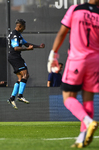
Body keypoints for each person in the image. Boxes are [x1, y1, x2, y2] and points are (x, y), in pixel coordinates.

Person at [47, 1, 99, 148]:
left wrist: (53, 55)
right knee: (88, 99)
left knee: (68, 98)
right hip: (95, 61)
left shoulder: (75, 9)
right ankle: (81, 138)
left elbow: (62, 33)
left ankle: (89, 123)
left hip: (77, 59)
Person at [7, 19, 45, 109]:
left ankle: (12, 98)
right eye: (24, 27)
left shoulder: (18, 35)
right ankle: (20, 96)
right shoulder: (15, 35)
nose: (24, 28)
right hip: (15, 57)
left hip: (13, 57)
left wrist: (38, 46)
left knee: (20, 78)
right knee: (25, 75)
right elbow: (16, 48)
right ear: (19, 26)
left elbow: (26, 44)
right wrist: (27, 49)